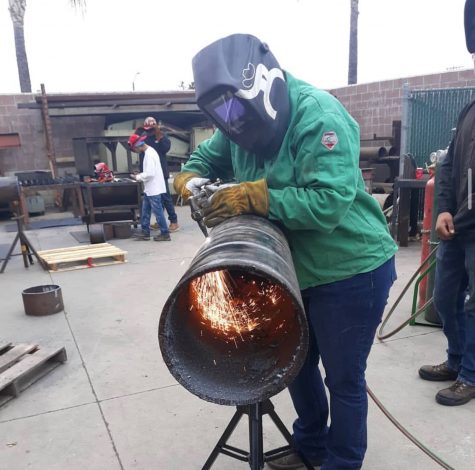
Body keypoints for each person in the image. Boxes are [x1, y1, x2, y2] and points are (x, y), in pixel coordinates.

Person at [174, 34, 398, 469]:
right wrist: (191, 181)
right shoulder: (237, 120)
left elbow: (329, 202)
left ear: (265, 86)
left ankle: (342, 462)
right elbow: (203, 159)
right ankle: (310, 445)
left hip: (350, 272)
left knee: (344, 378)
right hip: (293, 271)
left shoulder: (318, 115)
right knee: (295, 364)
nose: (238, 132)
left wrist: (253, 197)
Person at [418, 0, 475, 407]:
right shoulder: (470, 109)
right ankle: (456, 361)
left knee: (473, 306)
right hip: (458, 224)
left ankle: (471, 374)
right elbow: (450, 164)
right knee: (445, 298)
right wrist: (442, 209)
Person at [128, 133, 171, 242]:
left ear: (138, 146)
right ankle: (145, 232)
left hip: (154, 188)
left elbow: (150, 173)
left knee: (158, 212)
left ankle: (165, 233)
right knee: (145, 210)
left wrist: (138, 176)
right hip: (150, 188)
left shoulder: (149, 154)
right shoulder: (149, 151)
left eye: (135, 149)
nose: (135, 151)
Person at [140, 117, 180, 232]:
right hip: (150, 173)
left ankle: (174, 221)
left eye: (151, 129)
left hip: (161, 173)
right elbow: (142, 156)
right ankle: (160, 221)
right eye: (147, 129)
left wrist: (158, 135)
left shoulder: (161, 136)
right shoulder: (145, 138)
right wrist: (143, 173)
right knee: (155, 199)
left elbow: (165, 148)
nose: (149, 131)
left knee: (165, 197)